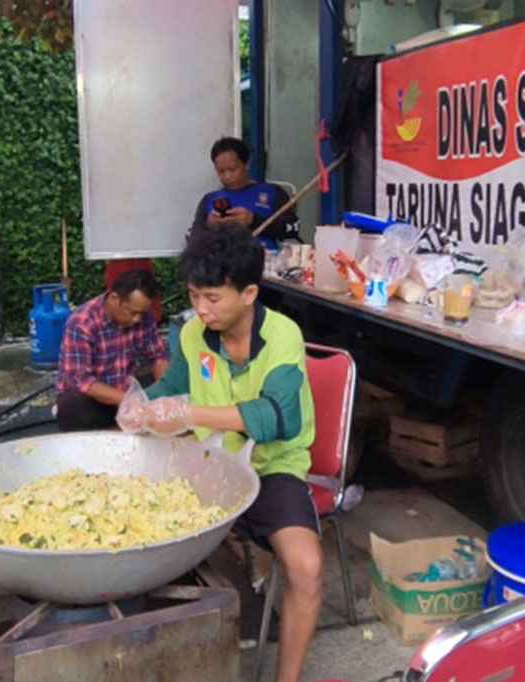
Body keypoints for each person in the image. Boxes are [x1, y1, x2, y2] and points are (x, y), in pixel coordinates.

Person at [119, 227, 321, 682]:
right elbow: (174, 386)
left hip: (272, 470)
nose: (201, 309)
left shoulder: (282, 337)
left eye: (212, 297)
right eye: (193, 296)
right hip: (210, 466)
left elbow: (275, 418)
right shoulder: (193, 334)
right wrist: (141, 403)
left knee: (306, 569)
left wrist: (188, 411)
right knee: (145, 537)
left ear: (249, 292)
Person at [54, 269, 169, 431]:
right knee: (72, 406)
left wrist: (166, 393)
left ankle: (126, 425)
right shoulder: (82, 322)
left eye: (142, 313)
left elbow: (159, 356)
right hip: (95, 399)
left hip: (126, 391)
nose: (137, 319)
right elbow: (81, 380)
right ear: (114, 299)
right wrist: (133, 401)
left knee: (173, 382)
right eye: (132, 312)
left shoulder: (144, 317)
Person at [188, 136, 301, 250]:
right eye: (221, 171)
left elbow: (293, 228)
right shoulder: (209, 200)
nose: (227, 176)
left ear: (246, 165)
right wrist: (210, 227)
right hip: (223, 263)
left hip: (266, 261)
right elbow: (193, 240)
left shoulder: (272, 192)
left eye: (232, 169)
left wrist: (253, 220)